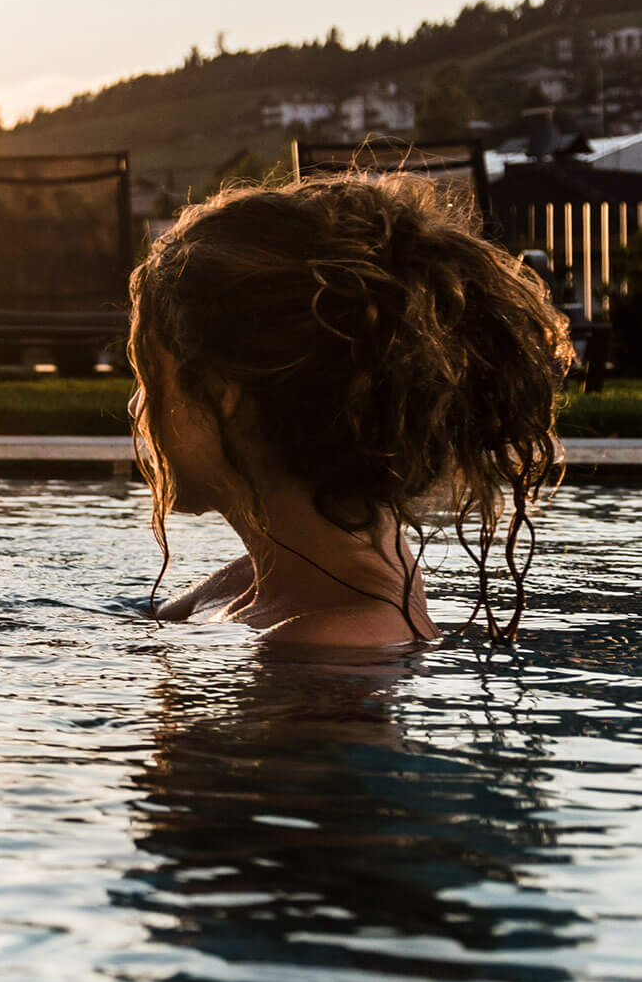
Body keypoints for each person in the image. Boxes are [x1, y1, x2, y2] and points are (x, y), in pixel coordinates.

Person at [127, 171, 572, 649]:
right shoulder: (255, 582)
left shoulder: (336, 644)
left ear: (222, 392)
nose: (136, 406)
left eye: (148, 377)